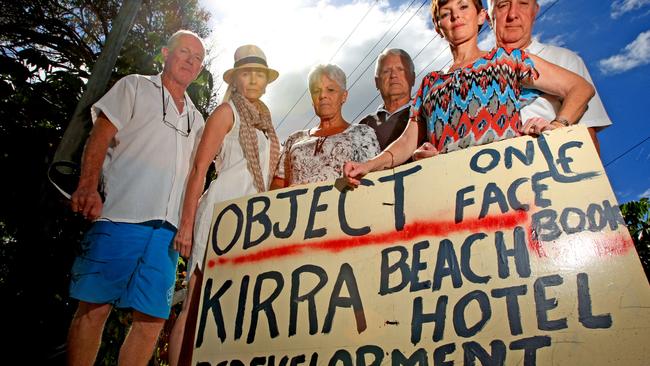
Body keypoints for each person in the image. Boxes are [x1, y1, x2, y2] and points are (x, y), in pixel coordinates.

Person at [66, 30, 206, 366]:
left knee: (152, 321)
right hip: (120, 218)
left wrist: (187, 225)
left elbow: (195, 177)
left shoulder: (197, 118)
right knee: (93, 309)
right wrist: (87, 186)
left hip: (167, 233)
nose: (190, 61)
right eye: (184, 52)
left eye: (197, 58)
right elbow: (100, 135)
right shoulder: (134, 86)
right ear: (165, 54)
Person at [344, 0, 594, 186]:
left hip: (509, 184)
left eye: (464, 7)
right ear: (438, 27)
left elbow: (579, 88)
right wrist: (368, 166)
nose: (455, 16)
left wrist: (558, 125)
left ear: (481, 16)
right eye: (445, 13)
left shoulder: (508, 60)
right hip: (452, 191)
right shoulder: (430, 85)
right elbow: (407, 142)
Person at [168, 45, 280, 366]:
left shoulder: (265, 122)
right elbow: (199, 168)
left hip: (251, 217)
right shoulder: (227, 112)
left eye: (260, 74)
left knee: (229, 305)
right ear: (236, 78)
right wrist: (187, 225)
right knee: (197, 300)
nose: (254, 80)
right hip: (220, 211)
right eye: (248, 73)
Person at [488, 0, 612, 154]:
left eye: (523, 3)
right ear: (488, 16)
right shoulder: (472, 75)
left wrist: (556, 129)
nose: (513, 14)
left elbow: (587, 136)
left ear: (535, 11)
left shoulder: (564, 59)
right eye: (503, 5)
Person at [271, 64, 380, 188]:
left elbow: (375, 181)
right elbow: (277, 186)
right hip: (297, 206)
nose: (322, 95)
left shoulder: (362, 133)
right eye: (316, 91)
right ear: (312, 99)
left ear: (344, 96)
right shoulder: (294, 139)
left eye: (330, 90)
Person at [358, 48, 416, 151]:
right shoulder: (365, 124)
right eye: (386, 71)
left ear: (413, 78)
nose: (393, 75)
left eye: (400, 69)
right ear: (377, 82)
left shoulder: (426, 113)